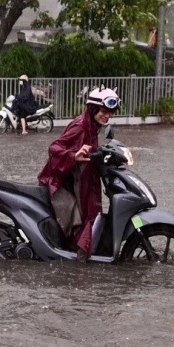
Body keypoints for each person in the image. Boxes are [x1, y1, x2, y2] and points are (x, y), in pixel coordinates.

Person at [37, 85, 120, 263]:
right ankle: (76, 262)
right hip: (61, 183)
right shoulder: (81, 126)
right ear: (93, 109)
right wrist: (73, 156)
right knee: (82, 219)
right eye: (104, 111)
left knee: (92, 213)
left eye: (110, 112)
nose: (107, 115)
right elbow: (54, 147)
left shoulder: (92, 126)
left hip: (83, 180)